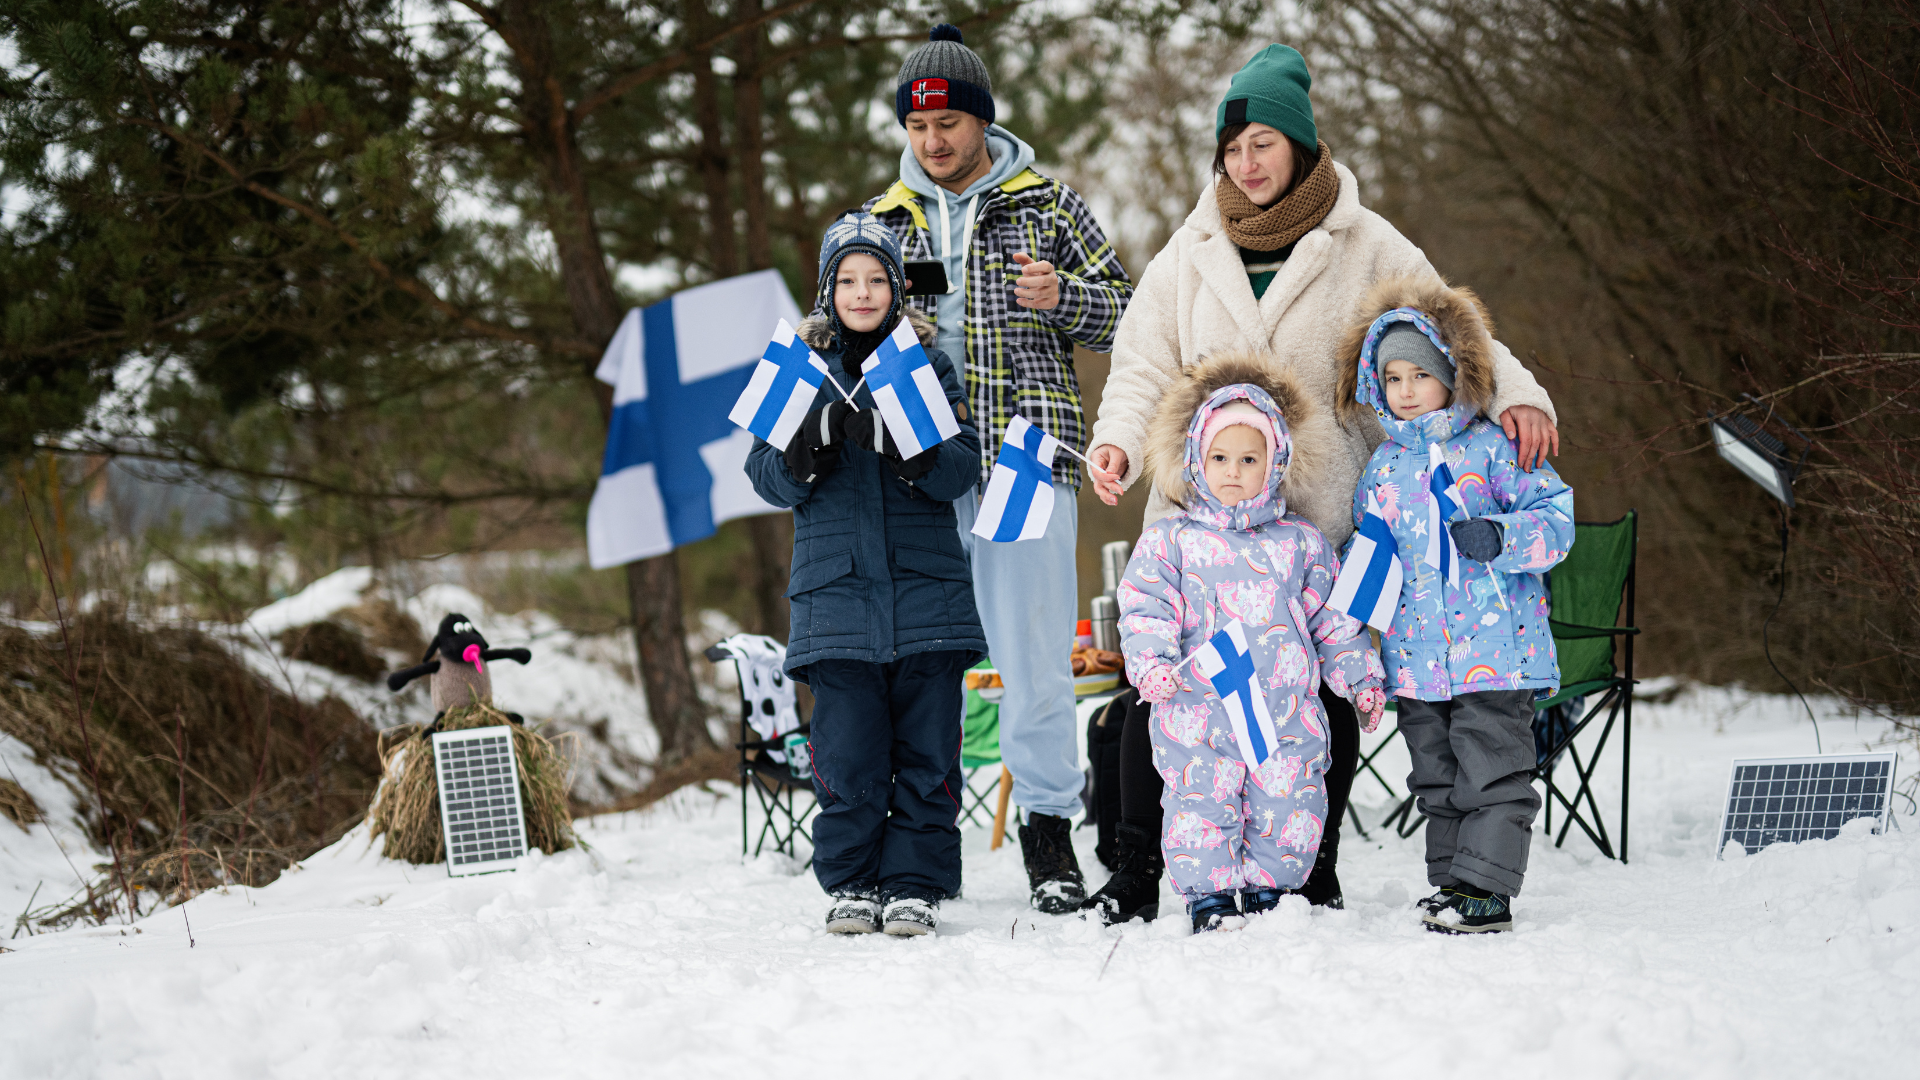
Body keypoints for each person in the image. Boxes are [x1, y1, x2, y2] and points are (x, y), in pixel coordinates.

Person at [1082, 43, 1560, 915]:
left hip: (1319, 511)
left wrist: (1519, 395)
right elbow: (1141, 367)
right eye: (1232, 149)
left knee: (1319, 690)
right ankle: (1142, 869)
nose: (1246, 164)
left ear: (1300, 146)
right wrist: (1115, 439)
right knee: (1163, 691)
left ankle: (1310, 862)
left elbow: (1445, 325)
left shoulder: (1365, 241)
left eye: (1262, 144)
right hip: (1200, 514)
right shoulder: (1190, 249)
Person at [863, 24, 1134, 913]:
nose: (932, 141)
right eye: (917, 125)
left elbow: (1131, 318)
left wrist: (1066, 297)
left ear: (981, 119)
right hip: (918, 468)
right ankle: (916, 847)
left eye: (948, 123)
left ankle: (1048, 834)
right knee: (921, 663)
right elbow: (839, 327)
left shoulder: (1048, 204)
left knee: (1032, 657)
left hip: (1026, 459)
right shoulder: (881, 223)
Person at [744, 213, 985, 937]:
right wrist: (804, 450)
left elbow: (959, 468)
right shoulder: (799, 372)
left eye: (877, 278)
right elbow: (763, 476)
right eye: (847, 279)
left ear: (898, 287)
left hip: (926, 600)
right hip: (836, 603)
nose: (862, 290)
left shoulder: (926, 366)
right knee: (847, 758)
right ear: (826, 289)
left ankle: (914, 884)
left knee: (927, 755)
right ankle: (852, 881)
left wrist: (906, 448)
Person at [1112, 353, 1386, 931]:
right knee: (1200, 805)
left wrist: (1360, 679)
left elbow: (1333, 621)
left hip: (1283, 715)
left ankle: (1272, 892)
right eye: (1219, 458)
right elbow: (1144, 608)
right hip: (1199, 714)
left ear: (1275, 464)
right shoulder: (1171, 542)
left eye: (1248, 458)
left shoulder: (1301, 543)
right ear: (1195, 462)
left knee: (1288, 803)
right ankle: (1208, 897)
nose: (1233, 471)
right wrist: (1153, 662)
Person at [1337, 274, 1576, 933]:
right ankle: (1453, 883)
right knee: (1436, 778)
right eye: (1393, 379)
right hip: (1416, 659)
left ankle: (1487, 890)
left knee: (1492, 769)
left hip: (1495, 653)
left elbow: (1556, 520)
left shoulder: (1494, 447)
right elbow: (1368, 551)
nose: (1406, 391)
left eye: (1421, 374)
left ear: (1452, 373)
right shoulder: (1383, 468)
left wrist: (1502, 536)